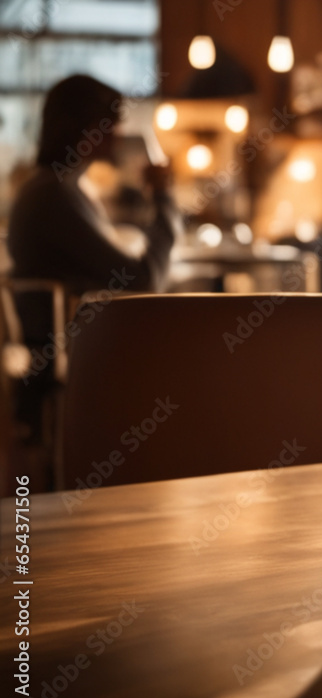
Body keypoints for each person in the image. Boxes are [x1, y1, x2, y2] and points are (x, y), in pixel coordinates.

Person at [6, 74, 179, 454]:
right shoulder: (53, 195)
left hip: (73, 354)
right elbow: (145, 279)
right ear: (88, 129)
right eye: (111, 123)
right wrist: (164, 197)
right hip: (67, 365)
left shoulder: (59, 188)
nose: (119, 133)